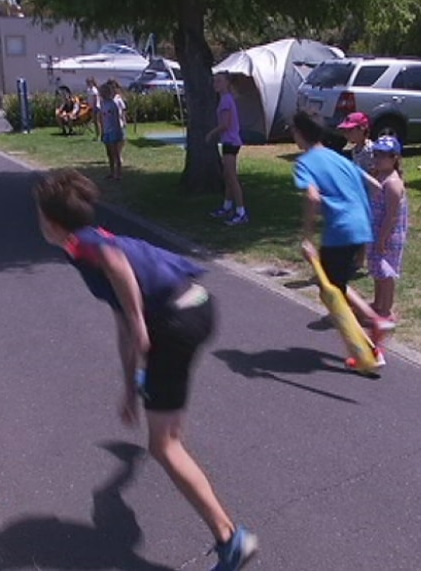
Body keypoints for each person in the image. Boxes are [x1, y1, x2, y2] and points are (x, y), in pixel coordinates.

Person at [33, 169, 258, 571]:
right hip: (198, 307)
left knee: (163, 446)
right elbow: (121, 315)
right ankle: (154, 397)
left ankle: (230, 539)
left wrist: (139, 322)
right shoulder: (98, 236)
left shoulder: (83, 245)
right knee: (163, 426)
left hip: (173, 323)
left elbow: (119, 271)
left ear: (51, 222)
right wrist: (127, 386)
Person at [290, 111, 392, 361]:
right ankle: (371, 327)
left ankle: (371, 326)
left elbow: (312, 197)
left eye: (293, 131)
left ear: (300, 134)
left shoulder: (305, 162)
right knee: (335, 286)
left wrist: (307, 238)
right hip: (360, 225)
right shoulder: (338, 158)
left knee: (330, 292)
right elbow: (375, 185)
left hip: (340, 229)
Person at [367, 135, 407, 329]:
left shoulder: (393, 183)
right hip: (375, 231)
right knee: (376, 270)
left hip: (388, 234)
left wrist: (383, 238)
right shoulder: (379, 176)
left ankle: (387, 310)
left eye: (384, 155)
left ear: (394, 158)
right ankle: (377, 303)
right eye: (376, 154)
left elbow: (392, 216)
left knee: (385, 272)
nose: (378, 158)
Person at [207, 72, 248, 226]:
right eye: (214, 81)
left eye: (219, 81)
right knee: (227, 176)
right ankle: (227, 206)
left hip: (230, 142)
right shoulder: (226, 99)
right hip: (230, 142)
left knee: (232, 178)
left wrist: (211, 134)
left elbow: (225, 125)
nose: (215, 84)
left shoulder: (225, 101)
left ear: (227, 83)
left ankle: (241, 212)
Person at [101, 83, 124, 180]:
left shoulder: (113, 104)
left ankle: (118, 174)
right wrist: (102, 131)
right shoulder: (103, 104)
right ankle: (111, 172)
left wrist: (118, 131)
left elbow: (116, 118)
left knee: (116, 153)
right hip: (106, 131)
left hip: (114, 130)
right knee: (109, 154)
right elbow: (102, 118)